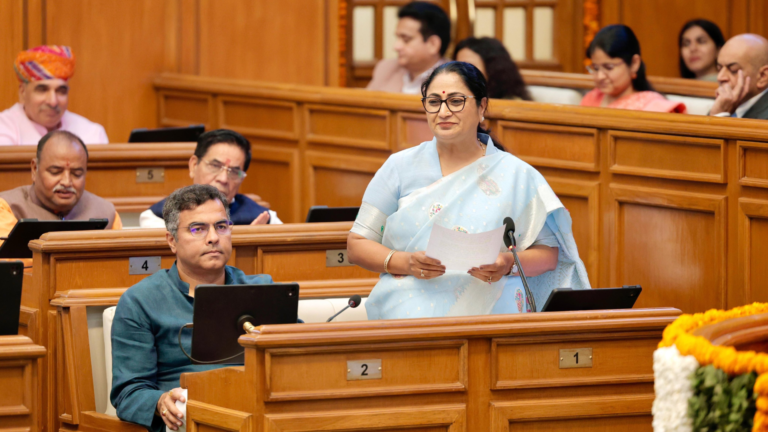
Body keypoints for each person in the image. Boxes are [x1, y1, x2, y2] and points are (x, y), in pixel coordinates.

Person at [347, 61, 590, 319]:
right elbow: (357, 244)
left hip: (495, 309)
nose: (443, 112)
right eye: (433, 102)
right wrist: (406, 262)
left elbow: (549, 255)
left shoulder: (516, 174)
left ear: (482, 106)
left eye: (455, 101)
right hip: (409, 306)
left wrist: (507, 264)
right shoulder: (399, 167)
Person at [111, 185, 275, 432]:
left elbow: (296, 356)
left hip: (260, 411)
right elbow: (129, 392)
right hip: (189, 418)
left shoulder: (262, 291)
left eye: (221, 226)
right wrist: (160, 401)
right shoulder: (140, 301)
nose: (213, 238)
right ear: (172, 241)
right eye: (198, 229)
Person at [140, 129, 281, 228]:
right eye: (215, 166)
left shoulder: (266, 220)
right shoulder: (159, 218)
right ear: (194, 165)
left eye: (234, 172)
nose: (223, 179)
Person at [0, 130, 121, 240]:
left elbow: (121, 262)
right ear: (34, 169)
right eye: (55, 172)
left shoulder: (106, 213)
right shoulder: (7, 207)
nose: (66, 182)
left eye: (77, 173)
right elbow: (10, 260)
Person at [0, 45, 108, 145]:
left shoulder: (91, 134)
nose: (53, 102)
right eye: (42, 90)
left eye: (61, 91)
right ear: (22, 92)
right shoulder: (4, 127)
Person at [581, 25, 687, 113]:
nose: (600, 76)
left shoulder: (654, 107)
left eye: (609, 67)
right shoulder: (591, 98)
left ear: (634, 64)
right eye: (595, 68)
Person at [366, 2, 450, 94]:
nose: (396, 47)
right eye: (397, 38)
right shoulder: (386, 68)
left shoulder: (454, 79)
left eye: (406, 40)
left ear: (433, 45)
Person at [709, 34, 768, 119]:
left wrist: (720, 116)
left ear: (763, 76)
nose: (720, 77)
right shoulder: (721, 105)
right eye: (719, 69)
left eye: (733, 70)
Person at [453, 37, 532, 101]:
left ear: (493, 70)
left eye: (469, 67)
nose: (461, 73)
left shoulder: (512, 105)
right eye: (458, 67)